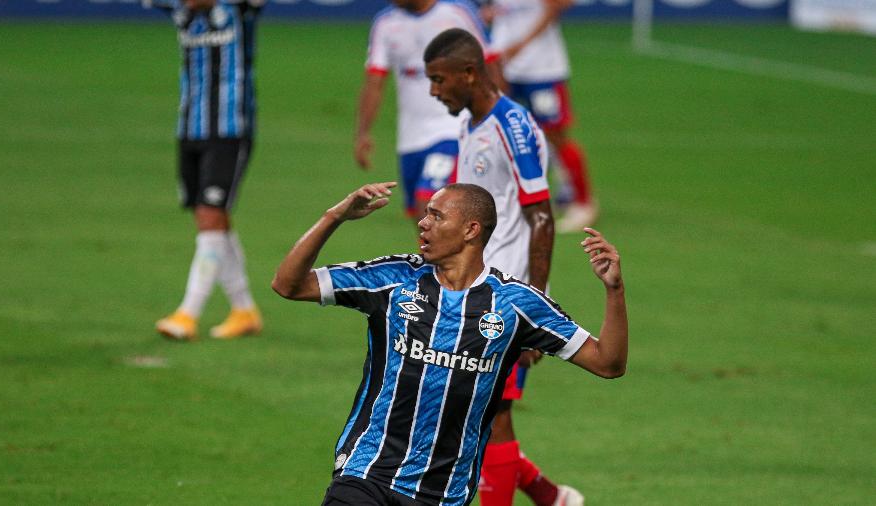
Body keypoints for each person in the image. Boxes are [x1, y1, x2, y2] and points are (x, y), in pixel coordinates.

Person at [272, 181, 628, 505]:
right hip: (366, 472)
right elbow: (289, 285)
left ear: (471, 230)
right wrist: (335, 216)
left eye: (436, 216)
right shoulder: (395, 278)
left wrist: (614, 290)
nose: (423, 223)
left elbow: (608, 363)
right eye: (426, 214)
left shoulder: (516, 304)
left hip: (443, 493)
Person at [424, 28, 579, 505]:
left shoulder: (511, 125)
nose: (433, 91)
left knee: (494, 415)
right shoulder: (471, 124)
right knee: (466, 412)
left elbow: (541, 215)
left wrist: (538, 308)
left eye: (439, 79)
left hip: (506, 296)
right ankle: (548, 495)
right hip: (470, 291)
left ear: (469, 73)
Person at [144, 0, 265, 341]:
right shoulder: (181, 9)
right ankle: (244, 310)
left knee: (211, 213)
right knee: (211, 217)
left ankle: (188, 313)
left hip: (229, 130)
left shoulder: (240, 8)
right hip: (189, 128)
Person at [354, 0, 500, 225]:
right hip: (411, 138)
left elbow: (489, 62)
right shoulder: (386, 23)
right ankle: (447, 261)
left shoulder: (457, 13)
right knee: (421, 221)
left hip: (454, 126)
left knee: (430, 203)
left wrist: (499, 114)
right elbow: (375, 80)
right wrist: (362, 132)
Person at [484, 0, 597, 233]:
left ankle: (583, 203)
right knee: (501, 131)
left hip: (542, 70)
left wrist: (522, 44)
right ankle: (510, 200)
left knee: (556, 135)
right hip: (505, 68)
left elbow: (562, 4)